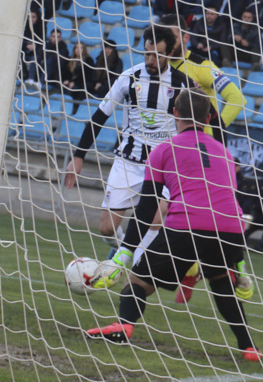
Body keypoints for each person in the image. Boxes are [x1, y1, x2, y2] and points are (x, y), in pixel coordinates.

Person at [84, 88, 261, 363]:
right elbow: (230, 204)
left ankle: (124, 324)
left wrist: (125, 253)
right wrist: (239, 264)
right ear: (211, 117)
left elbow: (146, 208)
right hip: (230, 231)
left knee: (139, 281)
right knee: (221, 282)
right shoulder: (225, 154)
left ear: (174, 113)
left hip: (187, 226)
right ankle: (249, 347)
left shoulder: (163, 150)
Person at [63, 27, 193, 251]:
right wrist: (78, 156)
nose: (151, 60)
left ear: (170, 53)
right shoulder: (129, 77)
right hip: (129, 160)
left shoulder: (184, 84)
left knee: (155, 216)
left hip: (163, 165)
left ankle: (136, 270)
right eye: (147, 53)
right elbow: (99, 117)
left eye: (157, 55)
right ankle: (124, 253)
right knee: (106, 228)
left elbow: (205, 121)